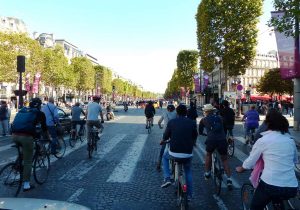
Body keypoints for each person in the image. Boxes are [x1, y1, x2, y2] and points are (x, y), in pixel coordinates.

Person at [236, 111, 298, 209]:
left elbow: (251, 161)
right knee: (278, 199)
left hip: (271, 185)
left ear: (268, 124)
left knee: (255, 207)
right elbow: (295, 161)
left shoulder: (263, 140)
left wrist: (242, 168)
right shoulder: (290, 140)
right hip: (292, 187)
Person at [160, 104, 197, 200]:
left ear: (177, 112)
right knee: (188, 171)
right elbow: (194, 135)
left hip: (174, 153)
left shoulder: (172, 122)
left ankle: (167, 178)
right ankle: (189, 194)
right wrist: (192, 143)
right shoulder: (192, 123)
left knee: (164, 157)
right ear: (186, 113)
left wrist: (163, 140)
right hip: (188, 153)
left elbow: (166, 135)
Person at [12, 98, 48, 191]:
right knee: (28, 161)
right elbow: (44, 128)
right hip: (26, 137)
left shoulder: (23, 110)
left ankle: (16, 166)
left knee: (23, 153)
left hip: (14, 135)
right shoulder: (39, 113)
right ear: (40, 106)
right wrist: (49, 138)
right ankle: (26, 185)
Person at [198, 104, 233, 189]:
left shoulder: (203, 120)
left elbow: (200, 130)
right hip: (222, 140)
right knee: (224, 160)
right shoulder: (220, 118)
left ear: (205, 112)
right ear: (213, 111)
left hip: (211, 140)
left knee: (208, 154)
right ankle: (229, 180)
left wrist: (202, 133)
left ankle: (207, 173)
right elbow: (224, 128)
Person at [156, 104, 177, 171]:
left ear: (167, 109)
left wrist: (160, 127)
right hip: (174, 133)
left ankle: (158, 164)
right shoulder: (176, 113)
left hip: (166, 132)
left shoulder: (164, 113)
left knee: (163, 148)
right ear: (174, 109)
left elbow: (159, 122)